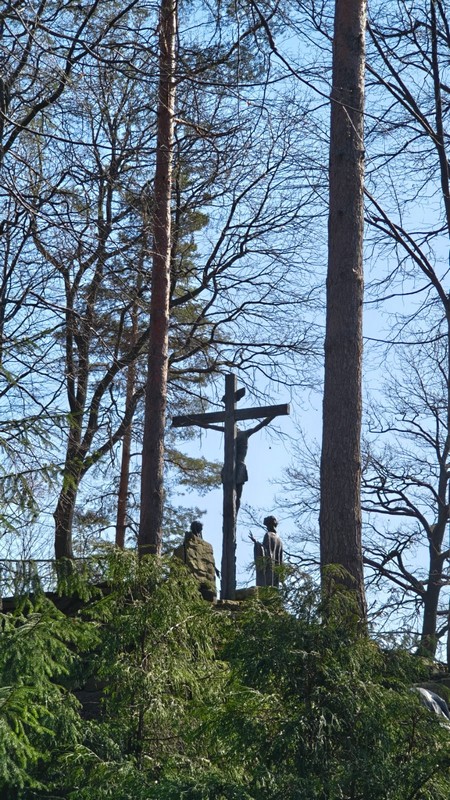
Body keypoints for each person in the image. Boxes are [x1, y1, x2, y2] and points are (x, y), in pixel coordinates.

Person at [249, 515, 283, 587]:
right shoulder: (279, 540)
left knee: (267, 586)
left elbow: (265, 552)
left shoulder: (268, 535)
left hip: (269, 569)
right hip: (276, 570)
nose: (267, 528)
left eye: (267, 526)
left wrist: (256, 543)